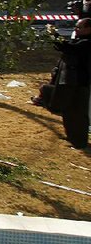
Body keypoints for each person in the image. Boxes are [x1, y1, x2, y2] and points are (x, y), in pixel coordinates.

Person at [48, 19, 91, 149]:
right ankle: (72, 137)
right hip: (71, 82)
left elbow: (68, 48)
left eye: (79, 27)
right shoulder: (80, 40)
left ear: (89, 29)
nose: (76, 29)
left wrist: (54, 34)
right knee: (69, 111)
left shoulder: (87, 43)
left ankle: (79, 141)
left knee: (77, 113)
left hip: (79, 82)